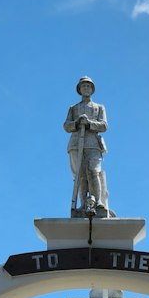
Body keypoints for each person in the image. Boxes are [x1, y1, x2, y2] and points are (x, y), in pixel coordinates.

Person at [64, 75, 110, 216]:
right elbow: (66, 125)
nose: (86, 88)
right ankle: (83, 205)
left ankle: (98, 202)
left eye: (88, 86)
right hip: (76, 144)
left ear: (92, 89)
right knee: (80, 175)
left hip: (93, 144)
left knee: (93, 171)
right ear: (79, 89)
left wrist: (89, 123)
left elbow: (104, 125)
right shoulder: (73, 108)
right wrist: (77, 123)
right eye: (83, 86)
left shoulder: (99, 107)